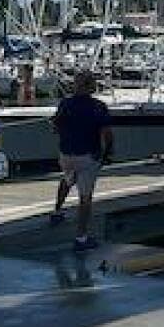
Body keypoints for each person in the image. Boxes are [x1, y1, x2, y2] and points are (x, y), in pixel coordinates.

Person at [50, 69, 114, 252]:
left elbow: (55, 126)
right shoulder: (98, 106)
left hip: (67, 153)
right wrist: (108, 153)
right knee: (85, 198)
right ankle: (81, 238)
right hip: (87, 156)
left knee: (67, 178)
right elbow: (107, 133)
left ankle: (57, 211)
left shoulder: (65, 104)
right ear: (91, 86)